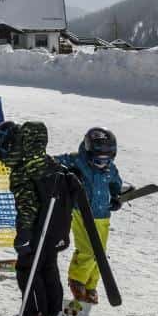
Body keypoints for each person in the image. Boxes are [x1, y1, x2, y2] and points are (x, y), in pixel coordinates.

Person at [0, 120, 77, 316]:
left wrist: (24, 234)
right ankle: (52, 311)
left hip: (39, 229)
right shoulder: (51, 163)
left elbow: (27, 207)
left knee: (27, 269)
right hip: (58, 229)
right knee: (48, 266)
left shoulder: (22, 170)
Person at [57, 128, 123, 305]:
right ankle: (77, 279)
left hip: (103, 215)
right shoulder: (77, 161)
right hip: (82, 211)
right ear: (88, 152)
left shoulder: (111, 169)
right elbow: (54, 163)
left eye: (107, 159)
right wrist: (65, 172)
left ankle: (90, 284)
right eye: (98, 159)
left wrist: (117, 197)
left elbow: (116, 184)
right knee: (89, 249)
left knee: (100, 253)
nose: (103, 163)